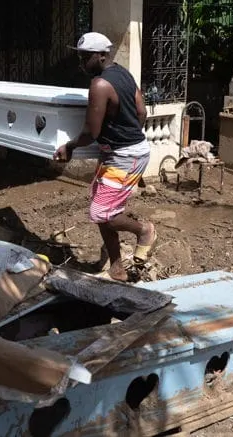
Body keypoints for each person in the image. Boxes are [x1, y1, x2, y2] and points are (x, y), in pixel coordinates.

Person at [54, 32, 156, 282]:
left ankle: (144, 230)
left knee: (102, 213)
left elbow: (91, 132)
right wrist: (124, 133)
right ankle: (117, 267)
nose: (81, 63)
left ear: (101, 56)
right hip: (125, 152)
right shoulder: (123, 73)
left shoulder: (99, 85)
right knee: (104, 206)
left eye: (85, 57)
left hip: (124, 157)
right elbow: (141, 112)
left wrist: (70, 146)